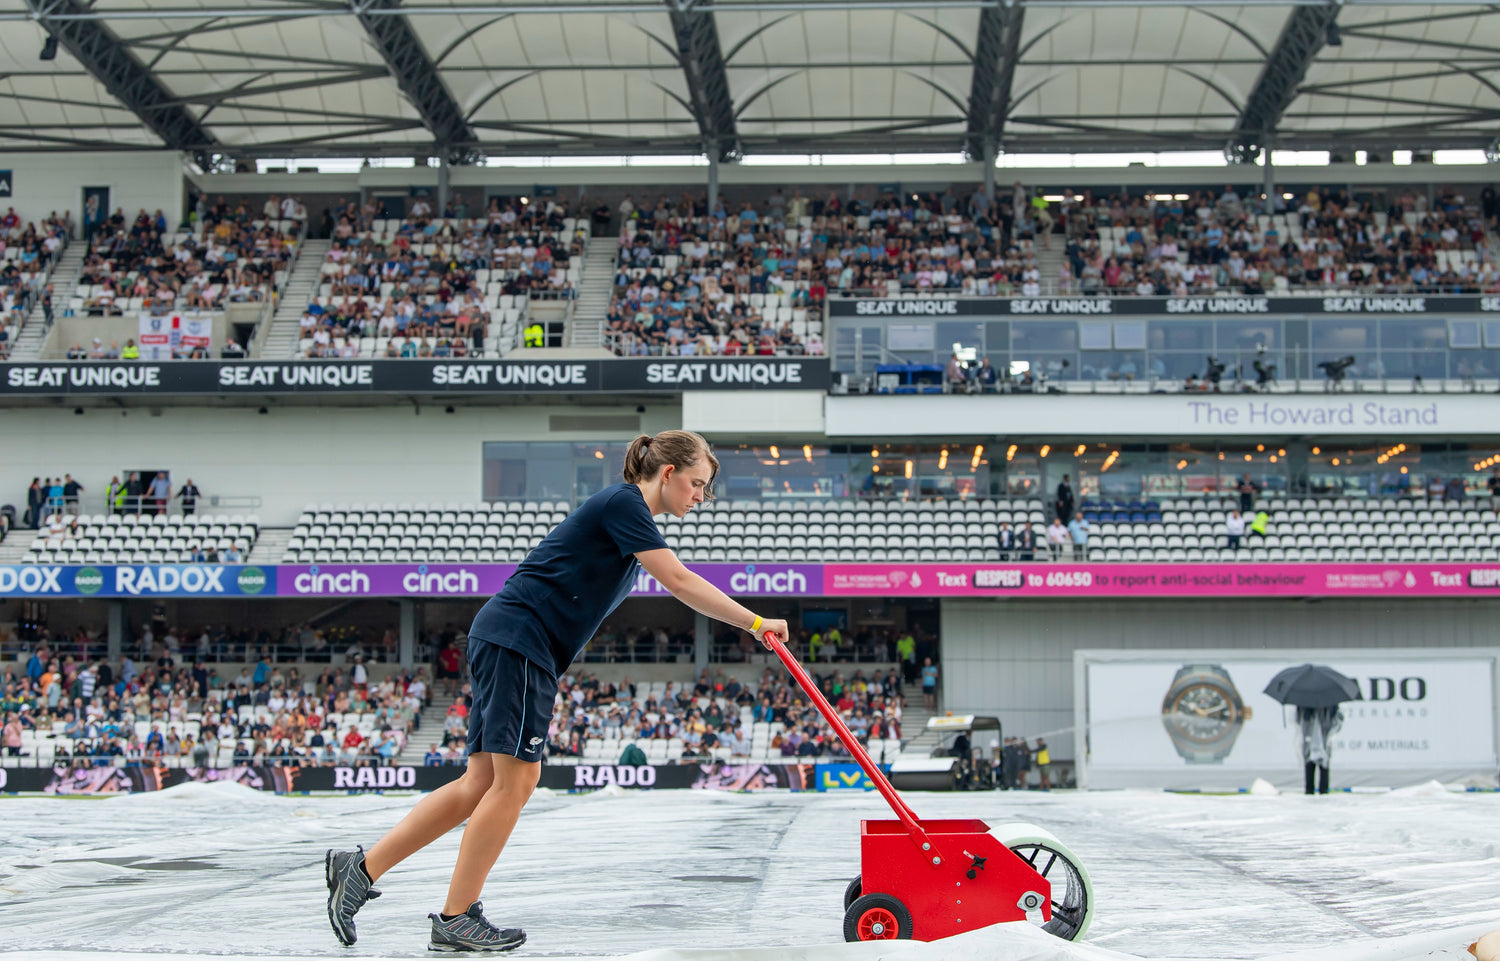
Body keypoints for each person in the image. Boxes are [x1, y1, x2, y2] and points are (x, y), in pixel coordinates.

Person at [325, 430, 789, 952]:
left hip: (509, 637)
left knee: (480, 783)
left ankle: (360, 870)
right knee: (517, 781)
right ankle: (455, 917)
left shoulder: (627, 514)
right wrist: (755, 623)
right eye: (697, 484)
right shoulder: (625, 504)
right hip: (520, 640)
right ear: (667, 474)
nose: (701, 497)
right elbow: (680, 582)